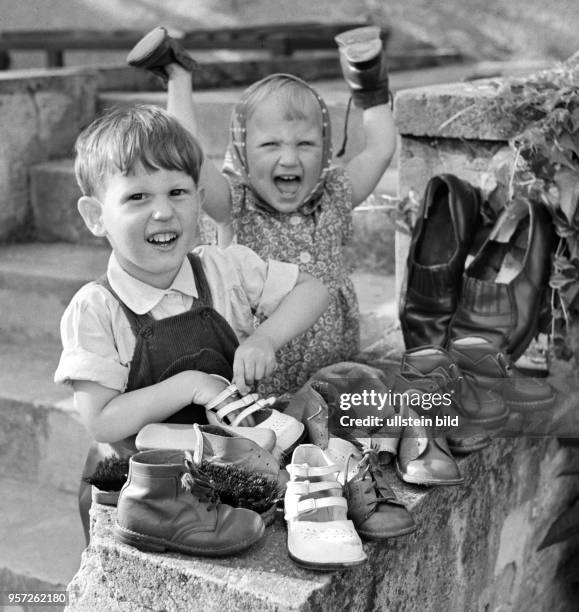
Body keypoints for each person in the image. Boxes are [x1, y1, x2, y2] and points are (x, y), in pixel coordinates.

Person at [54, 105, 329, 542]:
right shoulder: (97, 309)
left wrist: (264, 338)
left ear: (200, 201)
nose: (163, 212)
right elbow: (102, 422)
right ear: (94, 215)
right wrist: (192, 384)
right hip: (142, 485)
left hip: (233, 464)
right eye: (137, 197)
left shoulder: (224, 269)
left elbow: (313, 289)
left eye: (177, 192)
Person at [126, 26, 397, 395]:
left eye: (306, 143)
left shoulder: (334, 194)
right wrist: (179, 79)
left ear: (326, 148)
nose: (289, 157)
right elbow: (188, 159)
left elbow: (379, 149)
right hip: (258, 388)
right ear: (242, 153)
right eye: (270, 144)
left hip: (331, 374)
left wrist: (369, 83)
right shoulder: (234, 206)